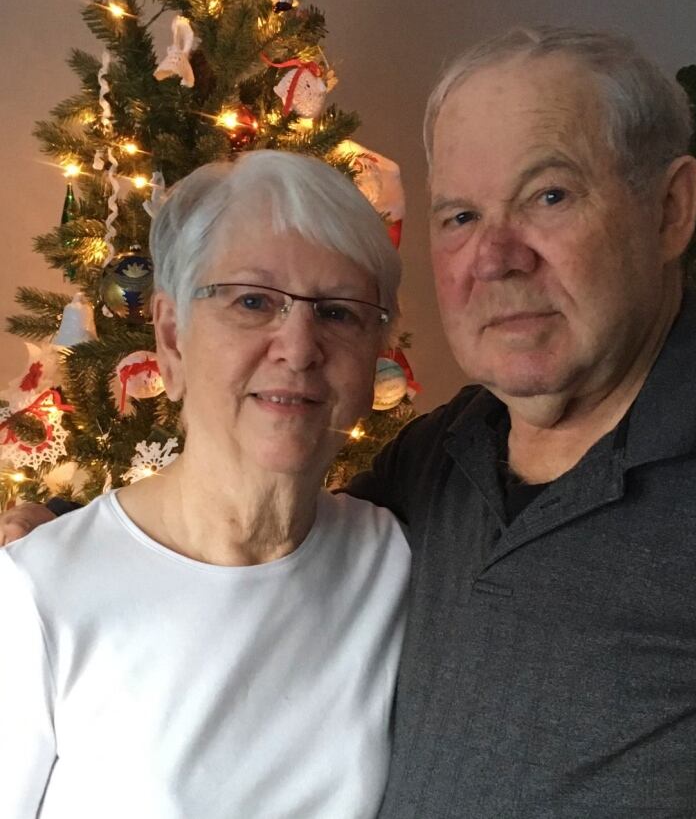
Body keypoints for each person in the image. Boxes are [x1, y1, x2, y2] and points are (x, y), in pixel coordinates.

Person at [5, 26, 696, 817]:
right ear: (171, 335)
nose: (497, 256)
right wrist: (59, 545)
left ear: (671, 210)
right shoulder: (440, 461)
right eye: (460, 216)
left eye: (549, 195)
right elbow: (245, 530)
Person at [0, 150, 410, 818]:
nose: (299, 347)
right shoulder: (36, 592)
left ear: (373, 358)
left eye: (339, 312)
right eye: (252, 301)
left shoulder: (394, 559)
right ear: (171, 337)